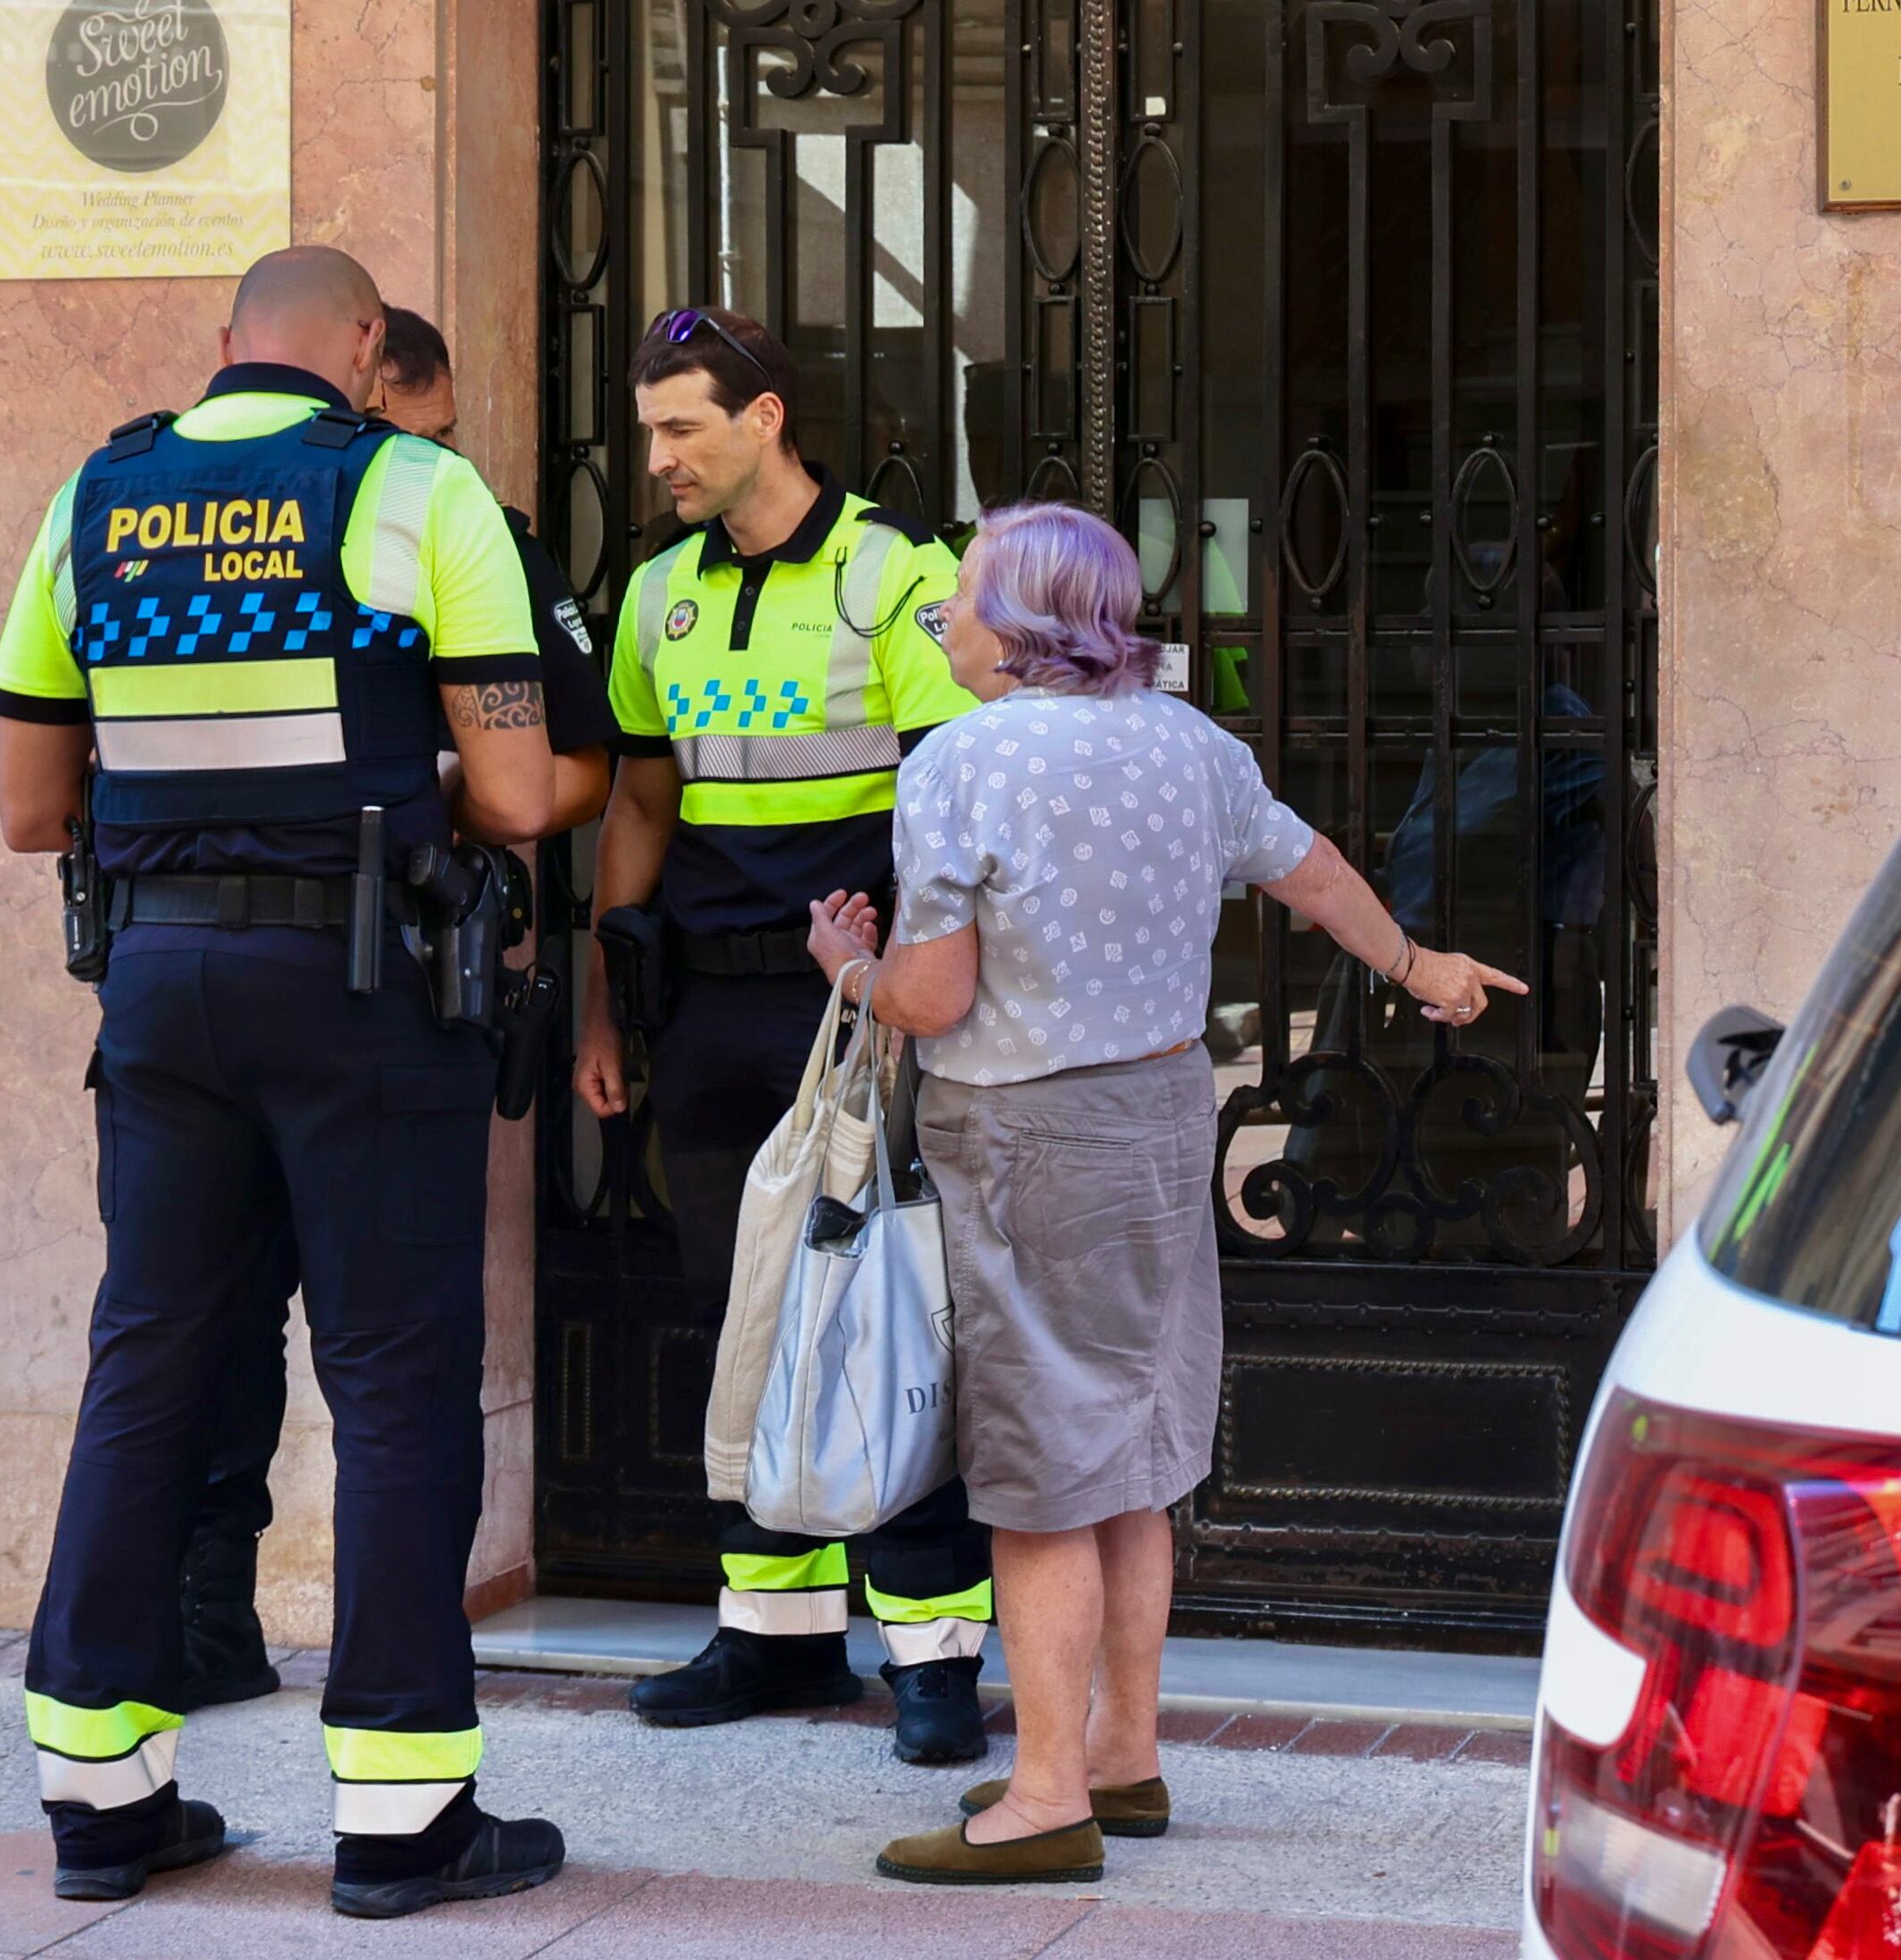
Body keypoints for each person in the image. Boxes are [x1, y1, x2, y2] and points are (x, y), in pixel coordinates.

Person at [804, 503, 1524, 1885]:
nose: (941, 618)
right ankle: (1127, 1755)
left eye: (958, 598)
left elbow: (935, 994)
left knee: (1039, 1478)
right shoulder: (1189, 743)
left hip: (1024, 1136)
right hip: (1156, 1117)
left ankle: (1045, 1796)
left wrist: (847, 966)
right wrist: (1418, 964)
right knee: (1130, 1450)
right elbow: (1307, 869)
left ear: (1020, 626)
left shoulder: (960, 762)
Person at [0, 245, 568, 1917]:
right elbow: (524, 796)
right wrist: (396, 787)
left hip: (160, 988)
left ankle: (100, 1799)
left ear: (224, 346)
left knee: (148, 1362)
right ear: (370, 350)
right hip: (365, 987)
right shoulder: (419, 488)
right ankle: (400, 1819)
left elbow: (33, 808)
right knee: (393, 1379)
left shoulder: (95, 495)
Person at [159, 305, 622, 1712]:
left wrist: (424, 793)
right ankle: (210, 1617)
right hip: (275, 969)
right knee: (228, 1331)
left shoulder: (472, 522)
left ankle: (376, 1686)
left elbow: (573, 768)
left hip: (410, 962)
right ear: (368, 370)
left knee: (372, 1352)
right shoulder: (279, 510)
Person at [573, 305, 996, 1762]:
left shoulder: (899, 573)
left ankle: (934, 1651)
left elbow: (958, 798)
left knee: (889, 1308)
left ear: (766, 420)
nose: (664, 459)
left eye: (684, 427)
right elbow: (640, 800)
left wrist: (915, 981)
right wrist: (602, 999)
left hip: (857, 1010)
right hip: (708, 1005)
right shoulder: (654, 593)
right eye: (651, 433)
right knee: (741, 1313)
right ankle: (777, 1633)